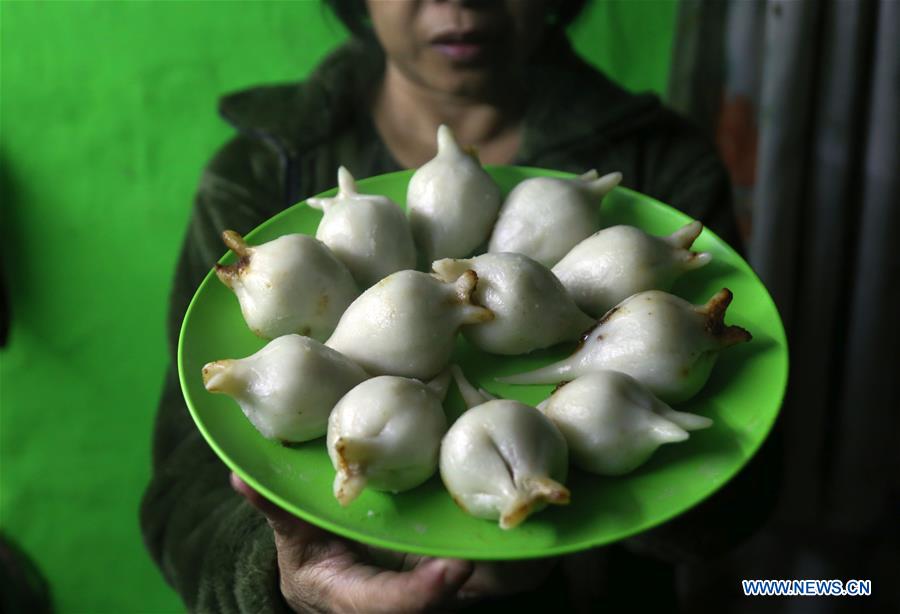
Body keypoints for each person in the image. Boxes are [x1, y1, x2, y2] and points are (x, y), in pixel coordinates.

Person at [141, 1, 777, 611]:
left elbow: (745, 488)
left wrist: (580, 546)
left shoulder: (661, 161)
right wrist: (278, 580)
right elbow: (180, 500)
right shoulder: (257, 170)